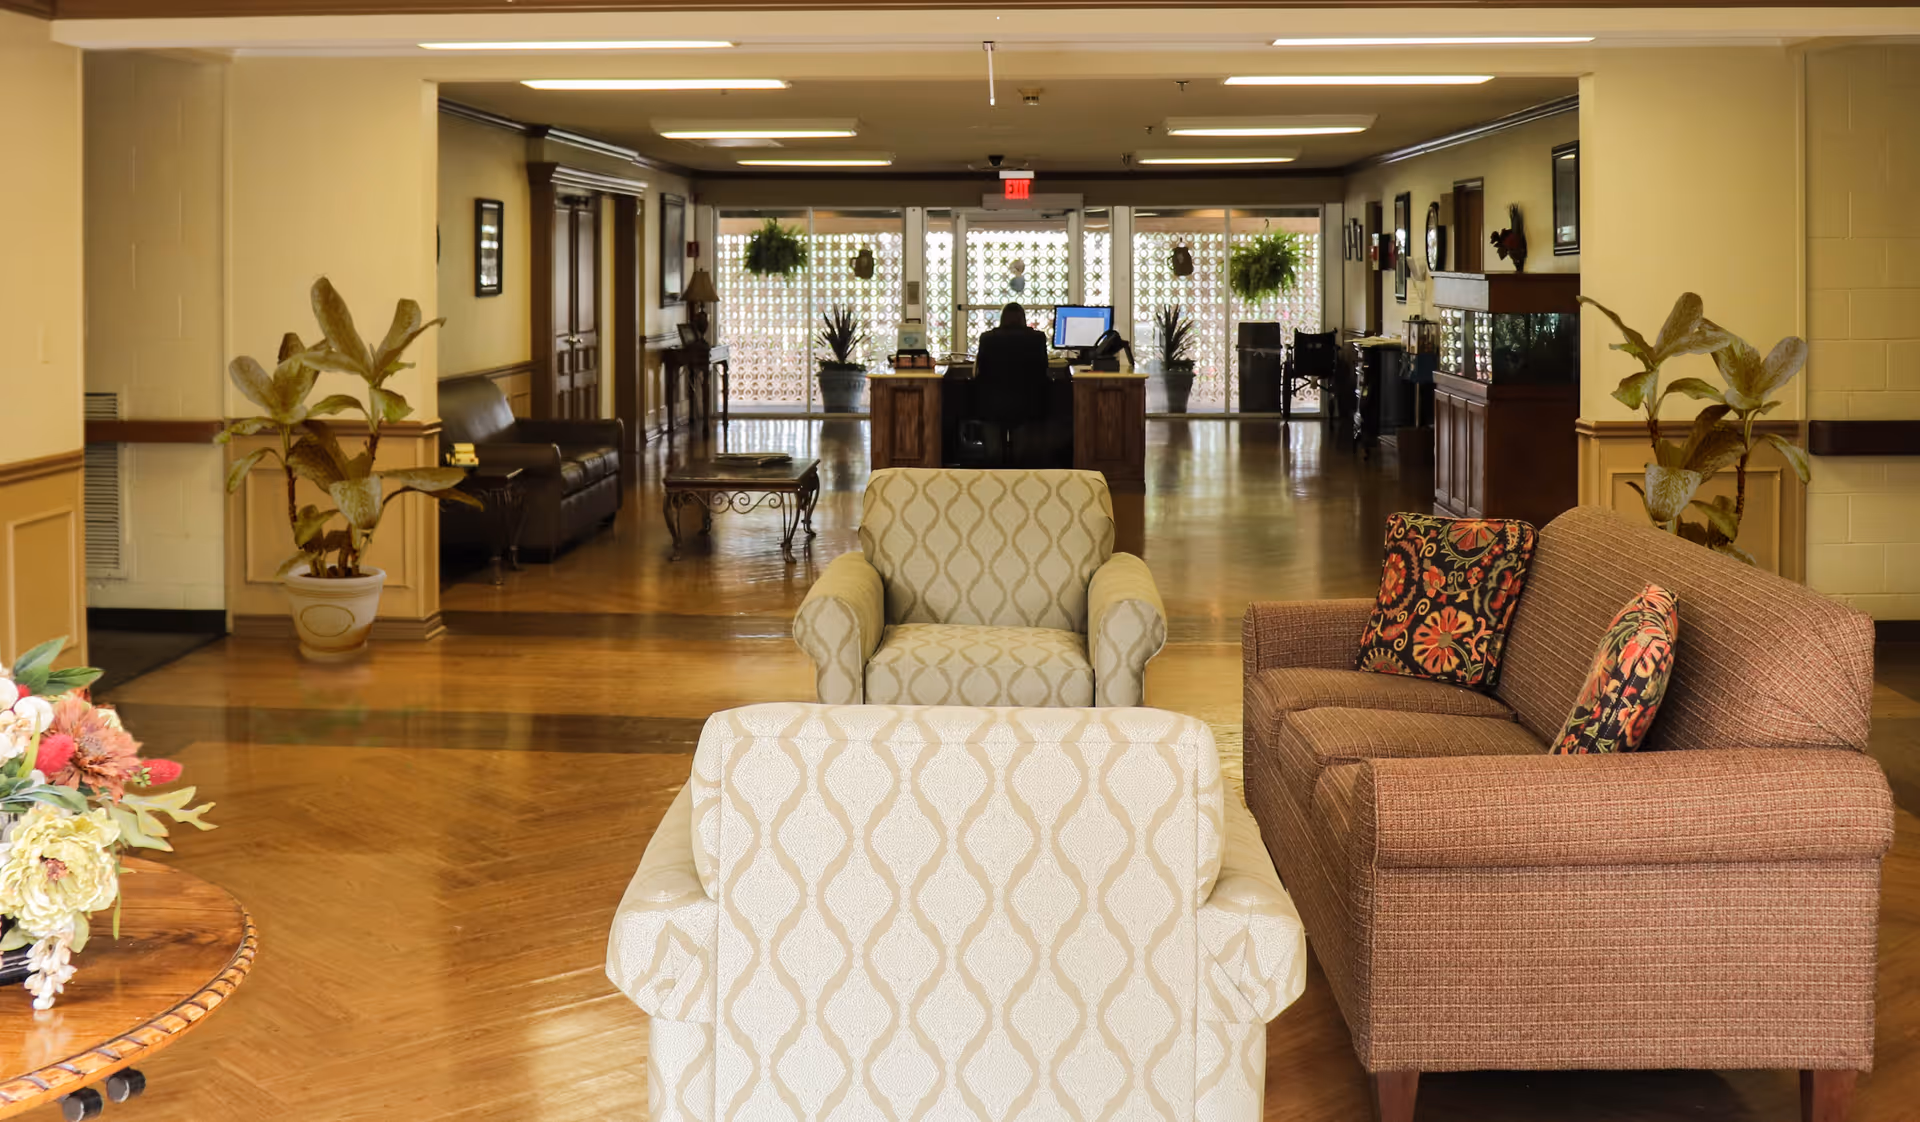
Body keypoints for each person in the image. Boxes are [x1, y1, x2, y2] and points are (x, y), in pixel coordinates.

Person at [970, 303, 1049, 463]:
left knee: (993, 451)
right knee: (1023, 450)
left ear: (1002, 319)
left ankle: (994, 469)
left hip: (992, 404)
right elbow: (1043, 369)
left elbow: (980, 370)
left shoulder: (987, 338)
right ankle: (1020, 470)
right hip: (1028, 404)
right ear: (1023, 319)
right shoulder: (1038, 338)